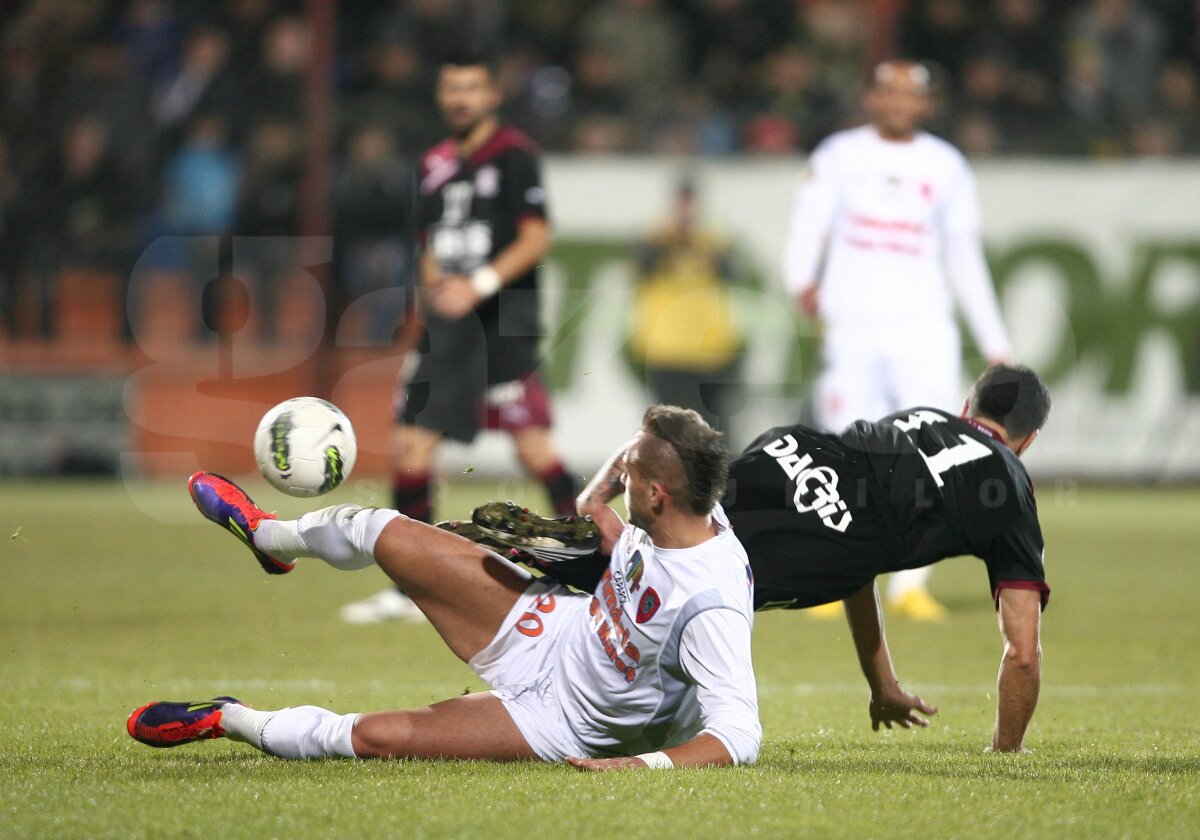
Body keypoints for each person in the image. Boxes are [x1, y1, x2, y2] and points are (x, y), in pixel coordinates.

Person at [127, 407, 761, 770]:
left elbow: (739, 735)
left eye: (631, 475)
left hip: (559, 722)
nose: (622, 475)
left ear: (657, 495)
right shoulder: (682, 509)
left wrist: (638, 766)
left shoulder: (711, 600)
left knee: (371, 738)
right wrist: (597, 498)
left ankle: (230, 718)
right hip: (551, 626)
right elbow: (630, 502)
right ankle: (269, 539)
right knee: (378, 527)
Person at [459, 364, 1050, 753]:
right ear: (1027, 441)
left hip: (795, 454)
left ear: (969, 403)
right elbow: (1022, 654)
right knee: (687, 581)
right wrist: (1006, 755)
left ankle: (594, 525)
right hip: (827, 528)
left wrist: (883, 682)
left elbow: (863, 560)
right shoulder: (1010, 488)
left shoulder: (924, 420)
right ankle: (592, 556)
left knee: (676, 525)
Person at [340, 51, 576, 624]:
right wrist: (435, 300)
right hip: (448, 328)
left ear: (493, 94)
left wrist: (479, 285)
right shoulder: (433, 162)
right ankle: (414, 589)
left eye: (471, 87)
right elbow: (426, 246)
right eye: (451, 87)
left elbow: (537, 238)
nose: (460, 98)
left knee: (533, 449)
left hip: (504, 323)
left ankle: (589, 568)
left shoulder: (515, 155)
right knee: (411, 448)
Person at [782, 59, 1012, 620]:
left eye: (911, 94)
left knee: (928, 454)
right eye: (888, 91)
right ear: (871, 97)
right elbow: (807, 226)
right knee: (843, 453)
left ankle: (909, 584)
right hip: (854, 325)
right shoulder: (839, 156)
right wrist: (800, 280)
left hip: (922, 326)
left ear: (928, 104)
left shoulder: (946, 164)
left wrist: (995, 341)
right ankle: (839, 578)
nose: (899, 102)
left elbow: (964, 256)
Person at [629, 177, 744, 437]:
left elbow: (730, 272)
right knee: (668, 428)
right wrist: (671, 237)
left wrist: (700, 241)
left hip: (710, 349)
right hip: (665, 349)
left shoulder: (714, 237)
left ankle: (715, 477)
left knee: (712, 425)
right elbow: (643, 267)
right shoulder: (654, 236)